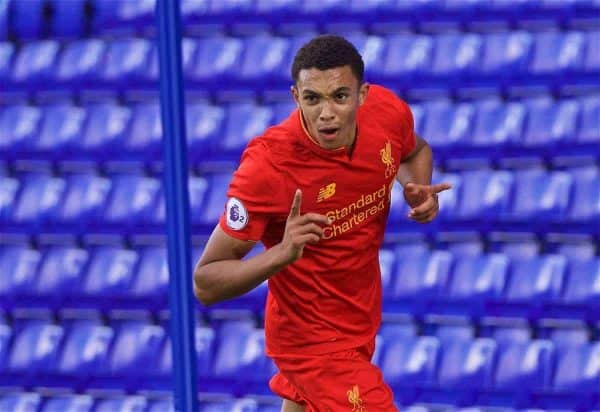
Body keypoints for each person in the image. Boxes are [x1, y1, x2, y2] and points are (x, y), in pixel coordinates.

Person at [194, 34, 451, 412]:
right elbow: (205, 282)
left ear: (362, 95)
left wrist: (416, 186)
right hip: (309, 340)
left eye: (339, 97)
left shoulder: (386, 113)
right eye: (312, 98)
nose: (326, 113)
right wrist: (281, 254)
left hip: (359, 321)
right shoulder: (267, 168)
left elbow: (415, 150)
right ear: (296, 97)